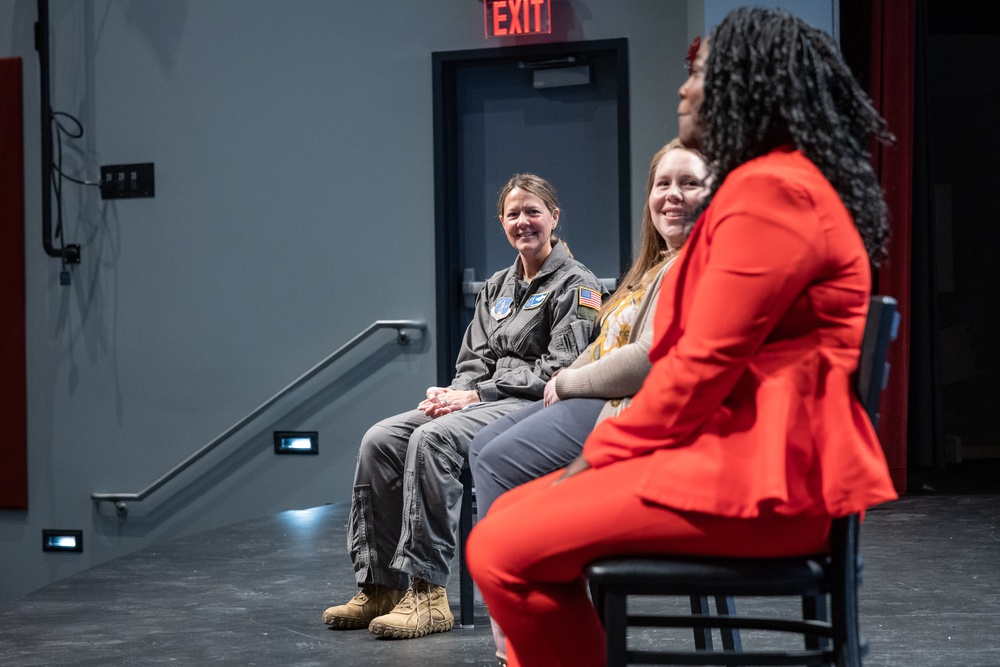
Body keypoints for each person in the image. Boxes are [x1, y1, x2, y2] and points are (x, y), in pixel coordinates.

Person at [466, 8, 900, 667]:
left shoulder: (772, 191)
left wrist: (595, 459)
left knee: (499, 544)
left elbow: (696, 367)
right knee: (510, 524)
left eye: (697, 73)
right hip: (746, 464)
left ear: (744, 85)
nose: (683, 89)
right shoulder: (775, 184)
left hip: (765, 484)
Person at [321, 173, 602, 640]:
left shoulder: (580, 286)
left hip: (533, 407)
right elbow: (473, 360)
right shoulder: (495, 287)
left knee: (434, 440)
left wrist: (476, 396)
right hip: (481, 401)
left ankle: (428, 594)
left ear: (555, 217)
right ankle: (380, 585)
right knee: (382, 438)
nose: (523, 222)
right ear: (501, 222)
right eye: (513, 214)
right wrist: (457, 396)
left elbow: (561, 370)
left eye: (533, 211)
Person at [468, 139, 709, 667]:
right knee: (481, 444)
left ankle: (519, 634)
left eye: (689, 183)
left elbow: (648, 358)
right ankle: (525, 617)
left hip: (623, 409)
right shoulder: (656, 265)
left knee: (493, 461)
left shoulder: (694, 266)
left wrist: (570, 380)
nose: (672, 195)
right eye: (662, 184)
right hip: (592, 394)